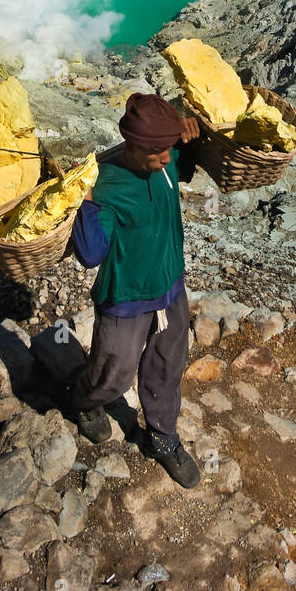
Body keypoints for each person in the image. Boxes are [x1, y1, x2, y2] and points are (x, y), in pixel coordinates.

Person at [66, 91, 203, 488]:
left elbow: (187, 158)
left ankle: (162, 437)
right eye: (158, 152)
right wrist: (86, 203)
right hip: (125, 298)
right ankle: (84, 400)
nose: (166, 159)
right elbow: (91, 254)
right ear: (134, 147)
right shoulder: (108, 186)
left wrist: (189, 129)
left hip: (170, 286)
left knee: (167, 367)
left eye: (168, 151)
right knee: (115, 372)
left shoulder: (164, 163)